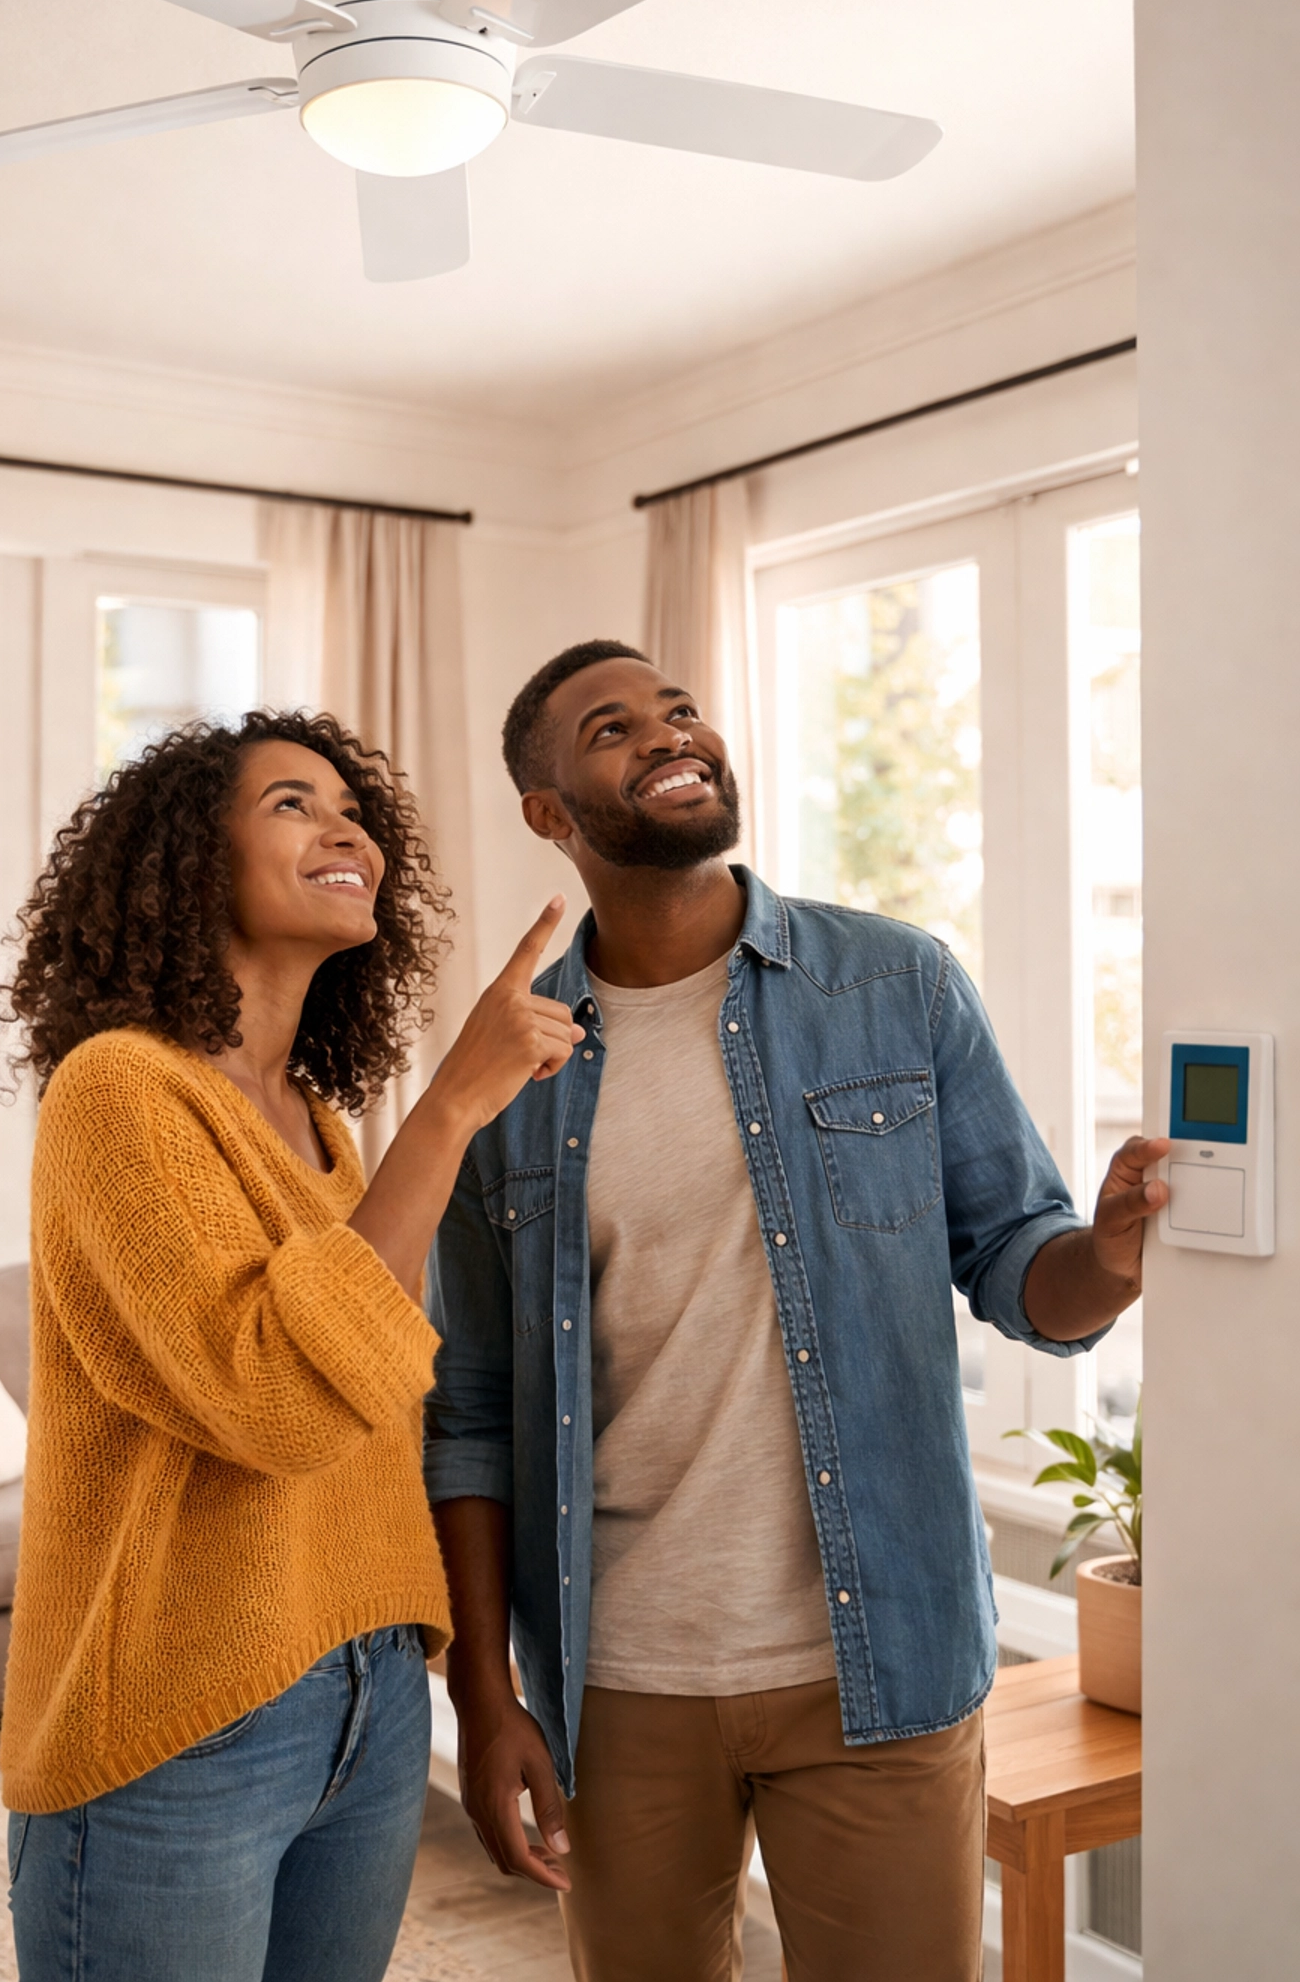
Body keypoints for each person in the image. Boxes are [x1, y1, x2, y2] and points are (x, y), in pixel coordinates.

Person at [425, 641, 1169, 1982]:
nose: (669, 735)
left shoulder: (896, 985)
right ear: (549, 813)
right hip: (620, 1681)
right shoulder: (509, 1063)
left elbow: (1020, 1267)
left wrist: (1110, 1255)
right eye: (612, 729)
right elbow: (470, 1416)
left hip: (876, 1662)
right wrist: (487, 1700)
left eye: (681, 710)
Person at [0, 707, 582, 1982]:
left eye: (351, 810)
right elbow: (278, 1401)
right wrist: (454, 1107)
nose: (346, 831)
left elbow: (383, 1402)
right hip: (176, 1725)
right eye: (291, 805)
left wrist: (466, 1688)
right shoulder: (118, 1091)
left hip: (368, 1699)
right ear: (191, 864)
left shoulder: (321, 1125)